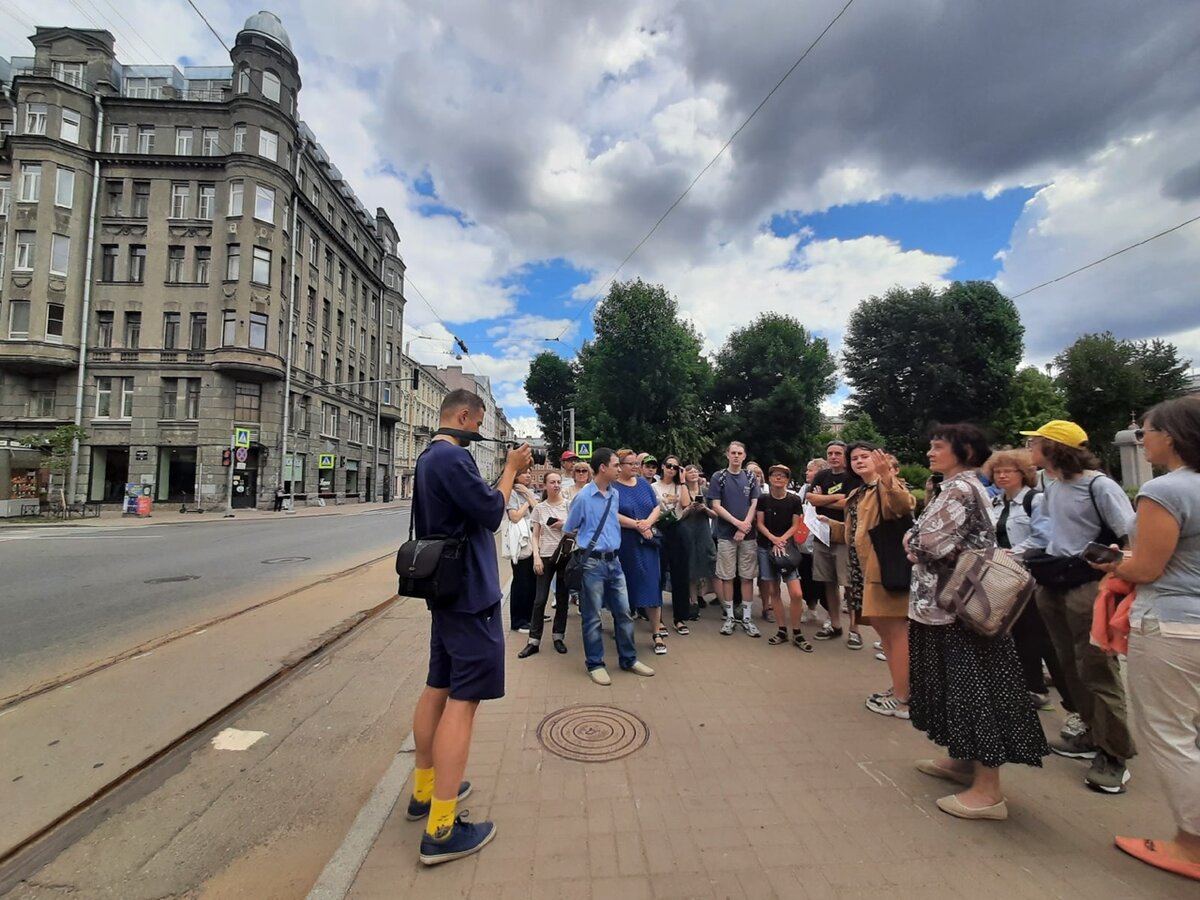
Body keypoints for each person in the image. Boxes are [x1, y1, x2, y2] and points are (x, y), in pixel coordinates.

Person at [407, 389, 532, 865]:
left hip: (444, 594)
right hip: (470, 594)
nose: (477, 432)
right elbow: (491, 513)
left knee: (438, 685)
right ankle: (441, 829)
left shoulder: (426, 457)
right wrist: (510, 469)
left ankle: (425, 791)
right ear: (464, 417)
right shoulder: (452, 458)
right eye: (478, 425)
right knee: (465, 700)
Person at [904, 423, 1049, 821]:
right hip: (948, 605)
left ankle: (989, 792)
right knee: (958, 687)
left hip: (958, 609)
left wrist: (911, 541)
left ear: (964, 450)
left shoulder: (958, 489)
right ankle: (964, 761)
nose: (930, 453)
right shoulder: (959, 486)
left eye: (938, 447)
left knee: (974, 691)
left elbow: (928, 543)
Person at [1089, 397, 1200, 880]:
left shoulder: (1163, 489)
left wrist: (1115, 563)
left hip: (1172, 625)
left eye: (1145, 432)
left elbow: (1148, 568)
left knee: (1174, 736)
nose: (1142, 440)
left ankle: (1191, 844)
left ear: (1169, 437)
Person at [1023, 420, 1137, 793]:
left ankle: (1114, 753)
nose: (1029, 449)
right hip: (1055, 583)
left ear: (1054, 448)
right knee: (1068, 663)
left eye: (1035, 443)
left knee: (1096, 666)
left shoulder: (1098, 485)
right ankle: (1090, 732)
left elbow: (1129, 533)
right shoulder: (1052, 486)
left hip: (1089, 586)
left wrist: (1115, 577)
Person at [827, 444, 916, 716]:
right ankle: (900, 687)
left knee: (896, 633)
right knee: (884, 631)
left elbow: (904, 506)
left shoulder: (886, 486)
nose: (858, 461)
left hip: (885, 572)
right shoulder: (857, 493)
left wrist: (887, 475)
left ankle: (905, 699)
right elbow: (853, 534)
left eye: (865, 456)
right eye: (854, 458)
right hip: (862, 572)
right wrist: (826, 525)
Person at [982, 449, 1072, 712]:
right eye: (997, 472)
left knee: (1040, 635)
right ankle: (1031, 687)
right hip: (1007, 577)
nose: (1002, 476)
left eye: (1008, 471)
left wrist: (1014, 552)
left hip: (1032, 575)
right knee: (1019, 633)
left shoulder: (1036, 500)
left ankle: (1067, 700)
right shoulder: (997, 502)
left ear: (1023, 474)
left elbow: (1045, 536)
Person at [562, 448, 656, 685]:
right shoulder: (583, 497)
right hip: (592, 562)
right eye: (616, 465)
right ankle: (595, 663)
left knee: (624, 613)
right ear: (603, 467)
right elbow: (570, 526)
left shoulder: (614, 494)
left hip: (615, 561)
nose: (620, 468)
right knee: (593, 617)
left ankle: (629, 659)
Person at [809, 441, 864, 648]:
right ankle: (834, 624)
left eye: (838, 453)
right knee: (828, 582)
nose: (833, 457)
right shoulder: (822, 475)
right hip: (822, 537)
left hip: (845, 537)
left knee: (849, 584)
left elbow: (850, 502)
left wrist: (823, 497)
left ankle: (854, 629)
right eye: (830, 453)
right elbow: (811, 499)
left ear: (845, 456)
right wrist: (835, 498)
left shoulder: (853, 477)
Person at [614, 448, 667, 654]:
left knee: (652, 584)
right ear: (620, 466)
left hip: (648, 544)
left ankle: (656, 633)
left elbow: (656, 507)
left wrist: (646, 524)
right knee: (626, 588)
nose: (636, 467)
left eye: (637, 463)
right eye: (631, 464)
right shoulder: (613, 487)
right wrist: (637, 525)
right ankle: (624, 634)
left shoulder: (644, 484)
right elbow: (613, 514)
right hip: (626, 544)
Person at [708, 441, 763, 637]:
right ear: (727, 454)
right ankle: (730, 616)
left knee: (747, 576)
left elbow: (754, 502)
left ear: (745, 455)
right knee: (727, 576)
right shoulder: (718, 477)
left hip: (748, 535)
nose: (736, 456)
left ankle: (747, 617)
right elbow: (716, 505)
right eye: (733, 452)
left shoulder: (749, 476)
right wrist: (737, 524)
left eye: (740, 453)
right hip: (726, 534)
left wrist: (745, 524)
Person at [757, 464, 813, 652]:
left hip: (787, 548)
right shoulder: (763, 499)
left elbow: (795, 524)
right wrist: (772, 539)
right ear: (769, 478)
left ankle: (797, 631)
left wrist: (781, 540)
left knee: (796, 593)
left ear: (788, 480)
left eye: (782, 476)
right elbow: (760, 523)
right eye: (775, 475)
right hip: (766, 547)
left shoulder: (794, 500)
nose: (778, 478)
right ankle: (782, 629)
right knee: (774, 590)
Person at [519, 472, 571, 658]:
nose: (556, 485)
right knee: (539, 599)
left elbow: (577, 529)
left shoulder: (568, 506)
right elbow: (535, 534)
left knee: (563, 599)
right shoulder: (539, 508)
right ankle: (534, 640)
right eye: (552, 482)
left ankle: (558, 636)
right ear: (545, 485)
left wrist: (563, 524)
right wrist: (536, 557)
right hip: (546, 556)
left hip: (565, 556)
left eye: (558, 482)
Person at [653, 455, 694, 634]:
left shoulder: (679, 486)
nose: (671, 469)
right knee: (658, 576)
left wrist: (683, 481)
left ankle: (680, 618)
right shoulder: (653, 487)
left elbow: (685, 504)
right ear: (662, 467)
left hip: (677, 530)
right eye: (669, 466)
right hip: (660, 530)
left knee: (680, 575)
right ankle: (658, 619)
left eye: (675, 467)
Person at [681, 464, 717, 615]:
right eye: (690, 471)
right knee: (690, 565)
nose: (694, 473)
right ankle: (694, 601)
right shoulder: (682, 490)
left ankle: (704, 594)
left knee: (709, 561)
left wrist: (704, 508)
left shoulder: (707, 492)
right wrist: (689, 508)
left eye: (696, 471)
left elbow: (715, 514)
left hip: (703, 531)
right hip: (687, 530)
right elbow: (680, 514)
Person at [505, 470, 538, 632]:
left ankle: (530, 615)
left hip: (532, 540)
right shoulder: (511, 493)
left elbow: (539, 512)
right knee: (521, 580)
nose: (528, 476)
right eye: (524, 473)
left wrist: (527, 494)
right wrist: (527, 501)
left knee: (532, 579)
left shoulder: (528, 492)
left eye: (530, 473)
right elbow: (515, 517)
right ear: (516, 476)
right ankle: (518, 620)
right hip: (520, 542)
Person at [797, 458, 829, 623]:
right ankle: (811, 608)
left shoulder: (829, 488)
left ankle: (831, 614)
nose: (807, 473)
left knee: (823, 581)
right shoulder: (804, 489)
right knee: (806, 577)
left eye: (811, 470)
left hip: (822, 540)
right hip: (804, 541)